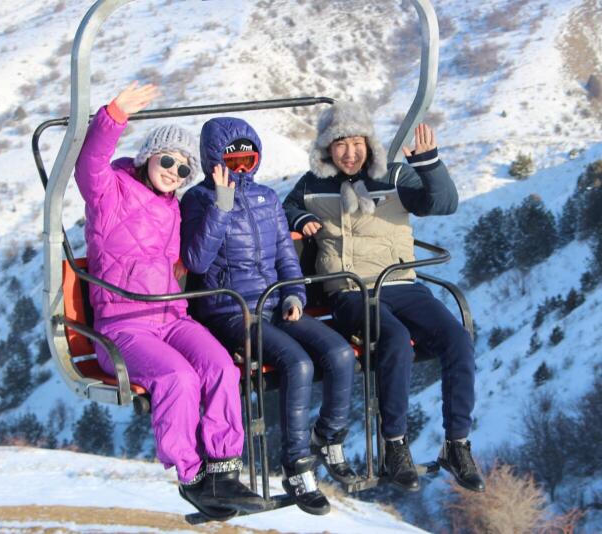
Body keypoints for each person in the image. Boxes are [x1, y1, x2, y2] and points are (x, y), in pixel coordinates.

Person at [73, 82, 262, 520]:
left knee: (220, 368)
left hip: (172, 318)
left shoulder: (173, 206)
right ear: (148, 157)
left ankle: (224, 468)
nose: (174, 172)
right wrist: (113, 116)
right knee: (178, 378)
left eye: (182, 170)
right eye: (168, 161)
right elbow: (90, 164)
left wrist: (223, 202)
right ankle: (191, 474)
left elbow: (193, 257)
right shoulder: (109, 194)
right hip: (123, 326)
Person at [283, 102, 486, 493]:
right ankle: (395, 445)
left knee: (458, 339)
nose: (349, 153)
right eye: (340, 144)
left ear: (369, 143)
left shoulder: (393, 177)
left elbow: (442, 204)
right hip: (349, 291)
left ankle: (457, 443)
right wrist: (297, 220)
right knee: (393, 339)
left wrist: (429, 165)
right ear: (327, 149)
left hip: (400, 282)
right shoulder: (312, 185)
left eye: (356, 142)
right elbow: (284, 210)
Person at [180, 116, 357, 516]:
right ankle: (296, 466)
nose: (242, 170)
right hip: (230, 310)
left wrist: (295, 294)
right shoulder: (197, 201)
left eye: (248, 161)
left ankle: (327, 437)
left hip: (275, 303)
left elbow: (284, 257)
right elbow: (196, 260)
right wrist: (221, 206)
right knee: (297, 363)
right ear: (214, 160)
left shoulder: (266, 198)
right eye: (232, 162)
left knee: (340, 353)